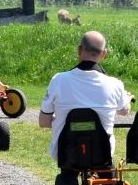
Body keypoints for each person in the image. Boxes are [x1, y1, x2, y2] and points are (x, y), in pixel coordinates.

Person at [37, 31, 133, 162]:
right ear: (104, 54)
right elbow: (124, 110)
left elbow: (43, 122)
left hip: (66, 152)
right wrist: (127, 100)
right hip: (102, 153)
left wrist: (61, 121)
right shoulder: (115, 84)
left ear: (79, 50)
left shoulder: (58, 80)